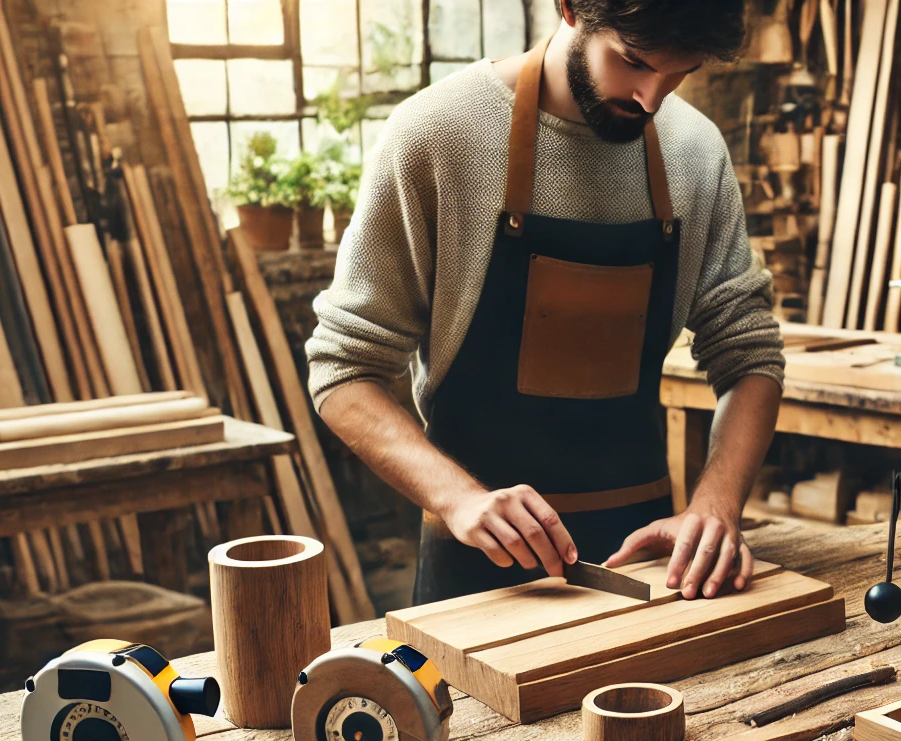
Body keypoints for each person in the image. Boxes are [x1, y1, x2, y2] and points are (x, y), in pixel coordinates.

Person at [307, 0, 783, 604]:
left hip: (653, 574)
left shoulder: (695, 150)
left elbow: (751, 358)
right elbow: (343, 371)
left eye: (679, 72)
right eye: (633, 61)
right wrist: (460, 500)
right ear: (569, 9)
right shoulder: (438, 136)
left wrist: (717, 504)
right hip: (476, 575)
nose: (650, 99)